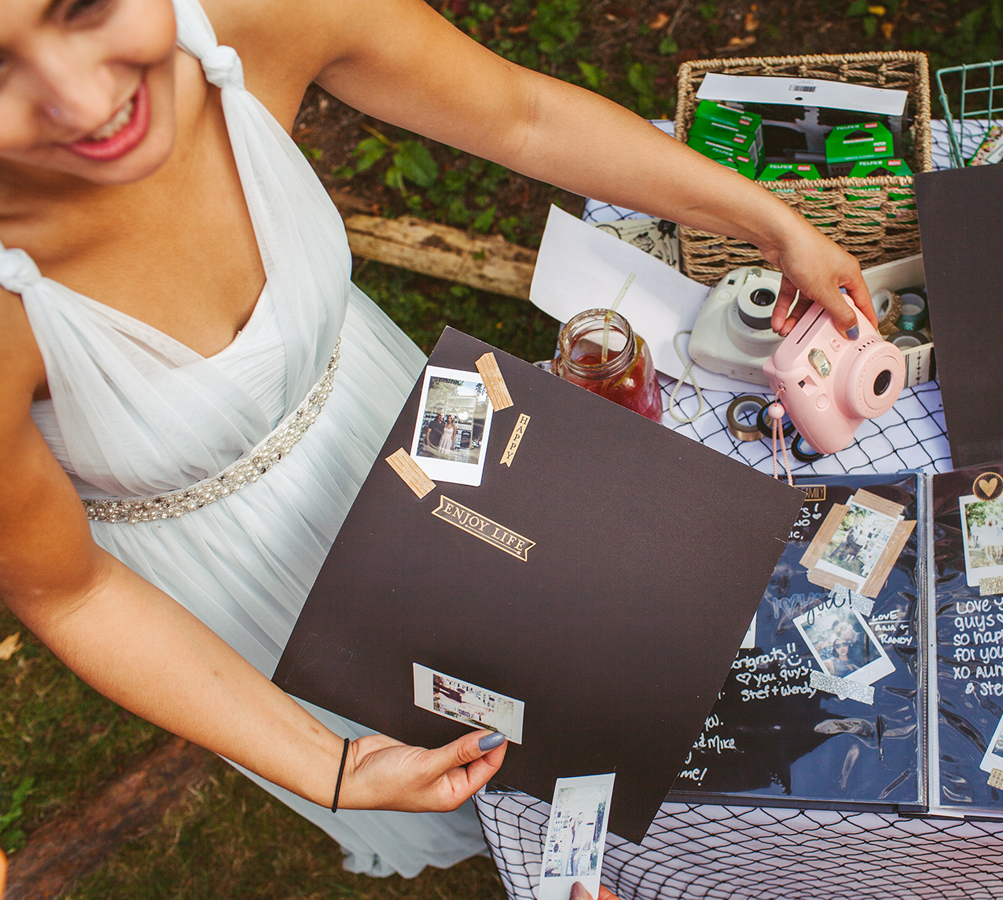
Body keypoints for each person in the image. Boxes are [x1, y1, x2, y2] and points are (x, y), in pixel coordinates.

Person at [0, 0, 873, 878]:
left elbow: (520, 115)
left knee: (567, 660)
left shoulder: (261, 14)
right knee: (438, 766)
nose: (81, 100)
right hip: (230, 573)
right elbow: (70, 594)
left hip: (394, 418)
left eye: (81, 7)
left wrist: (771, 222)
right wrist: (328, 762)